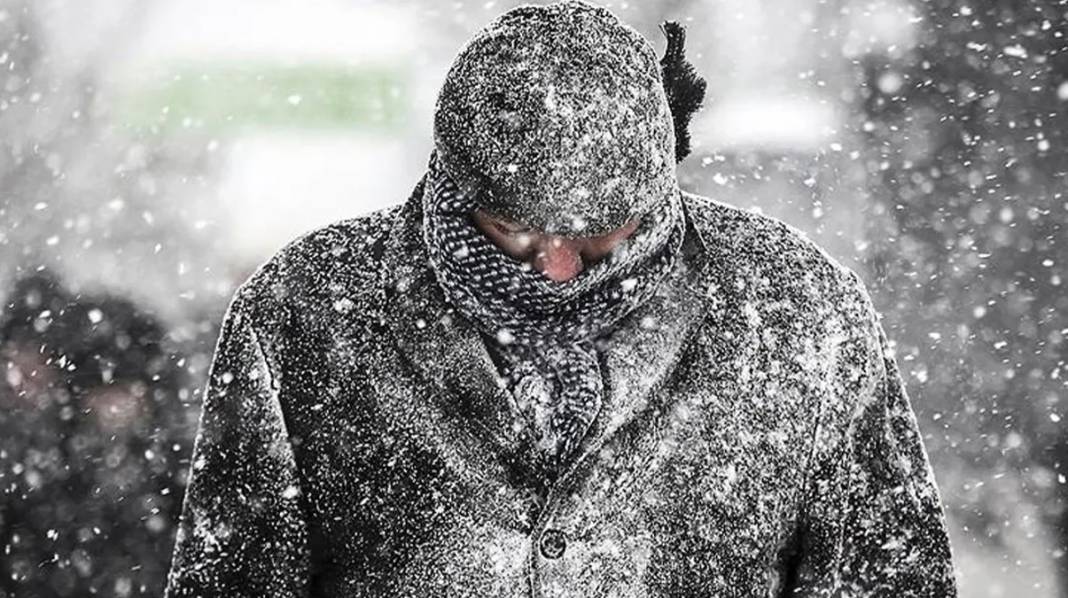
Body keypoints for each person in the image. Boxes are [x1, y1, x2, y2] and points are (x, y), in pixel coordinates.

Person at [164, 1, 958, 596]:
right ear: (452, 185)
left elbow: (890, 576)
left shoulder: (797, 313)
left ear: (661, 183)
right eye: (512, 231)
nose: (557, 271)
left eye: (600, 236)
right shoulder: (306, 313)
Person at [0, 270, 191, 597]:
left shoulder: (179, 470)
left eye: (124, 388)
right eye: (100, 391)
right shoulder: (44, 471)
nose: (113, 406)